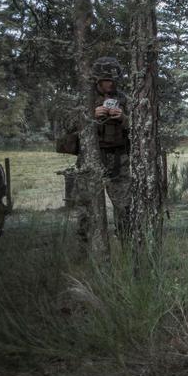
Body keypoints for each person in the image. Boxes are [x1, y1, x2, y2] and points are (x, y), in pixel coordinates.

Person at [78, 56, 131, 240]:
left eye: (114, 80)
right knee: (87, 204)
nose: (111, 83)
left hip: (118, 158)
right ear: (98, 80)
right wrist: (90, 114)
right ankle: (86, 245)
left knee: (124, 205)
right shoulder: (86, 98)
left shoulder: (123, 99)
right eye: (107, 80)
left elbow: (138, 125)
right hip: (92, 156)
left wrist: (123, 118)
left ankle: (126, 242)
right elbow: (68, 125)